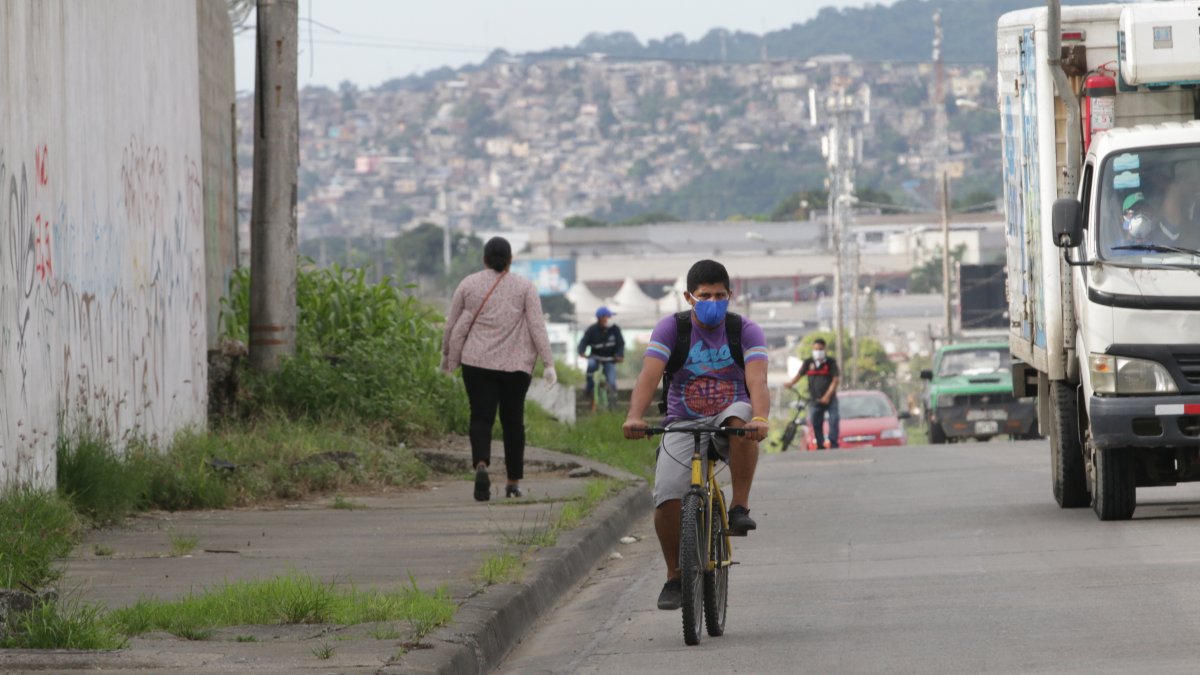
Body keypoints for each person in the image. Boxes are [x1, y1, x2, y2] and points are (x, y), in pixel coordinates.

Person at [622, 259, 769, 611]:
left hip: (728, 416)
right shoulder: (671, 329)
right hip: (682, 421)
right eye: (705, 296)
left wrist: (761, 417)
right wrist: (634, 417)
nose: (713, 302)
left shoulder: (745, 330)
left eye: (720, 295)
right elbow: (649, 375)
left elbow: (757, 379)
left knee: (742, 420)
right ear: (689, 297)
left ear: (730, 295)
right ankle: (674, 576)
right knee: (667, 498)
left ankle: (739, 506)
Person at [441, 237, 556, 502]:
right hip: (516, 366)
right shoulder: (525, 287)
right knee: (513, 422)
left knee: (481, 417)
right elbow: (537, 326)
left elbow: (451, 324)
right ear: (510, 260)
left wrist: (447, 358)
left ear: (484, 259)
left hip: (476, 362)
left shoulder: (468, 284)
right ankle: (512, 483)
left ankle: (481, 464)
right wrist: (548, 363)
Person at [785, 338, 840, 450]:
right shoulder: (808, 363)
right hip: (815, 399)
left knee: (834, 419)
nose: (818, 351)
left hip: (830, 399)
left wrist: (827, 396)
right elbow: (799, 375)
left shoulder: (830, 362)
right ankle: (820, 444)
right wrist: (790, 383)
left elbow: (835, 380)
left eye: (820, 349)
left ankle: (833, 443)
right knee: (816, 422)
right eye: (815, 349)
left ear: (825, 349)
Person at [577, 306, 625, 411]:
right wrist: (581, 351)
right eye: (608, 317)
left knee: (611, 381)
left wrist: (620, 355)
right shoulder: (592, 330)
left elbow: (620, 344)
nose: (609, 319)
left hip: (610, 359)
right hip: (596, 357)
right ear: (600, 318)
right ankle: (589, 388)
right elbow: (584, 341)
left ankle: (613, 402)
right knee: (591, 365)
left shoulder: (615, 330)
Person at [1110, 192, 1181, 254]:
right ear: (1122, 220)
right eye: (1133, 212)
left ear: (1152, 218)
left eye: (1145, 212)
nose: (1140, 217)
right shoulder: (1114, 251)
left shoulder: (1162, 248)